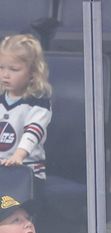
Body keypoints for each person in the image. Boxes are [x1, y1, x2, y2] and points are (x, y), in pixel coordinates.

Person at [0, 34, 51, 180]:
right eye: (1, 68)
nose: (5, 75)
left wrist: (18, 156)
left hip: (27, 173)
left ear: (33, 73)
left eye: (14, 69)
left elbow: (33, 132)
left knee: (9, 203)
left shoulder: (39, 103)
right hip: (2, 172)